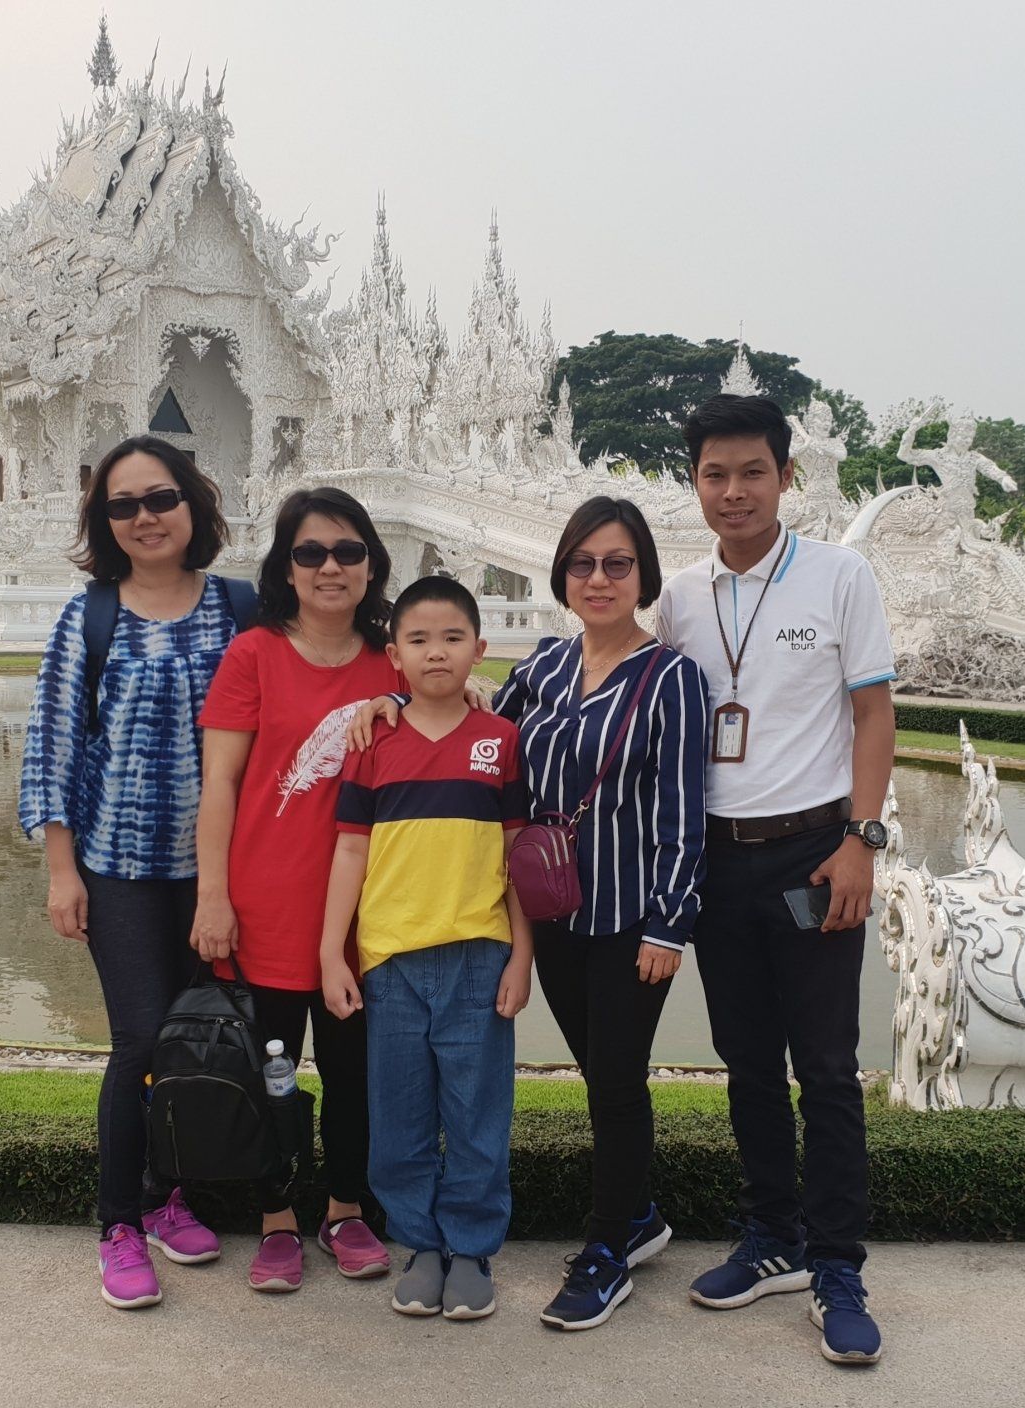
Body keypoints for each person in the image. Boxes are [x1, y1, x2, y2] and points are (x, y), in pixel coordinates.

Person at [654, 394, 895, 1366]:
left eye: (752, 471)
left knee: (826, 1069)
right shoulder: (678, 596)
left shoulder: (840, 575)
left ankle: (838, 1264)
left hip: (813, 855)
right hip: (718, 859)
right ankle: (771, 1238)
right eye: (715, 474)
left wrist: (862, 841)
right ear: (697, 483)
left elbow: (873, 716)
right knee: (746, 1061)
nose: (734, 490)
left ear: (786, 477)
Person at [18, 434, 242, 1310]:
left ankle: (171, 1194)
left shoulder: (238, 608)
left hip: (219, 872)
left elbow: (311, 691)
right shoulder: (91, 617)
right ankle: (120, 1219)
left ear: (192, 506)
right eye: (124, 505)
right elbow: (52, 747)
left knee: (199, 1042)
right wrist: (60, 872)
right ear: (105, 521)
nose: (146, 517)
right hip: (116, 867)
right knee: (140, 1040)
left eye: (161, 499)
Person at [491, 498, 708, 1330]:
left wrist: (669, 925)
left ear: (643, 576)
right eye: (582, 563)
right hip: (551, 911)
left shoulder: (672, 679)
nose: (599, 579)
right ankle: (643, 1217)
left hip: (628, 921)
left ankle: (607, 1251)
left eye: (617, 564)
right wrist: (399, 707)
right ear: (562, 575)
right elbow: (483, 741)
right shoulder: (542, 668)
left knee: (617, 1083)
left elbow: (684, 814)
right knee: (597, 1072)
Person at [194, 487, 404, 1293]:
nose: (330, 567)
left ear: (372, 565)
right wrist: (214, 897)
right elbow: (221, 784)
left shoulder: (394, 659)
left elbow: (456, 716)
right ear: (287, 565)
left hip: (366, 918)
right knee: (272, 1078)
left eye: (348, 551)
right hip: (267, 910)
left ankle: (346, 1209)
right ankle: (277, 1218)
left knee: (354, 1078)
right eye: (311, 552)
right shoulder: (253, 654)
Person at [319, 575, 534, 1323]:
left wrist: (523, 955)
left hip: (479, 954)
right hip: (391, 960)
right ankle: (421, 1245)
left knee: (478, 1116)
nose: (436, 652)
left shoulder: (500, 741)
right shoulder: (372, 741)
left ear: (479, 649)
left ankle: (472, 1249)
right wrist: (331, 953)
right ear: (395, 655)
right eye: (418, 639)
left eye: (451, 638)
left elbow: (517, 860)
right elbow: (349, 855)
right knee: (400, 1118)